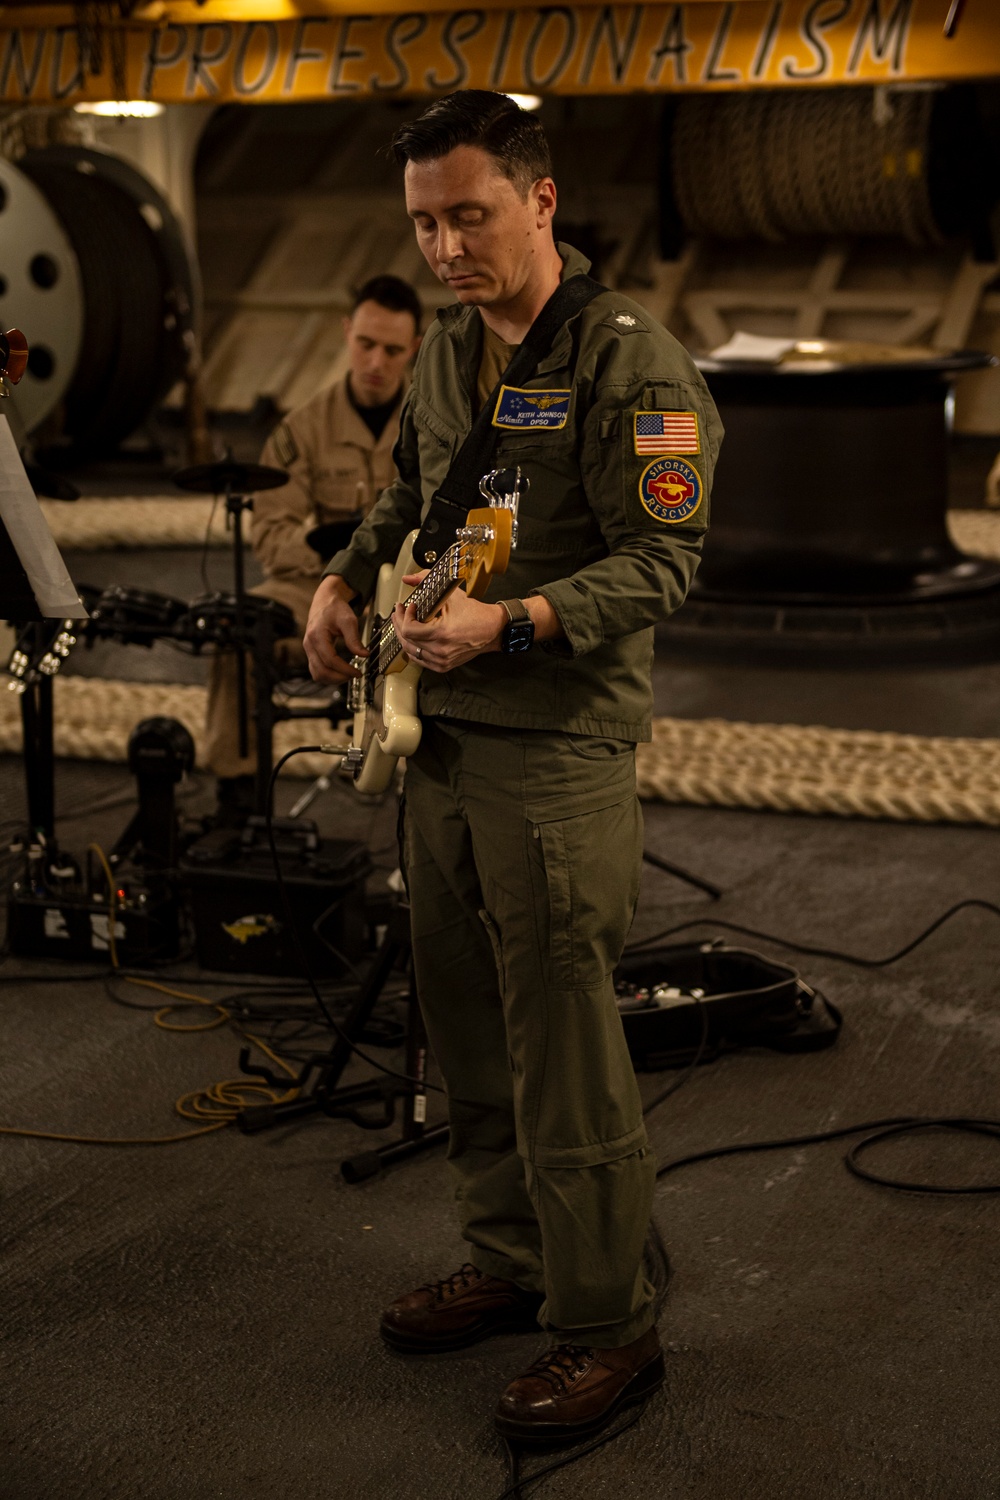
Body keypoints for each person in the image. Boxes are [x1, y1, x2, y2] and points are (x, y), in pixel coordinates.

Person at [303, 91, 722, 1443]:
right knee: (465, 1021)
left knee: (563, 1039)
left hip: (554, 749)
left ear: (540, 199)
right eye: (424, 221)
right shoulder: (440, 354)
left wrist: (518, 622)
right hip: (440, 738)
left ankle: (608, 1320)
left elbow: (665, 562)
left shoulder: (628, 364)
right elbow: (410, 498)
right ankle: (511, 1257)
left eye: (468, 215)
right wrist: (343, 574)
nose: (442, 245)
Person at [204, 274, 422, 824]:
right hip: (320, 584)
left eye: (393, 350)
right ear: (347, 332)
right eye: (366, 344)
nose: (376, 361)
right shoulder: (302, 429)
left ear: (415, 348)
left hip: (414, 587)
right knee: (238, 626)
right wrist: (337, 576)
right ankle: (238, 800)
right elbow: (272, 533)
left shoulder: (434, 423)